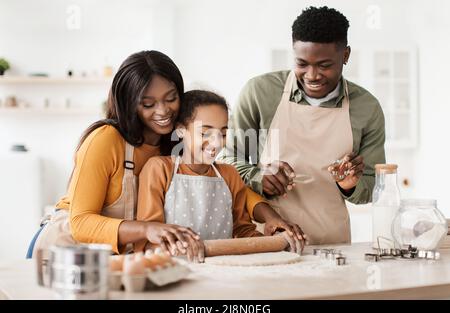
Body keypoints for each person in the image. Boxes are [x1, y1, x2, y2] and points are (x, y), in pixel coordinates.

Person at [27, 50, 304, 258]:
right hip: (65, 249)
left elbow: (235, 189)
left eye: (171, 98)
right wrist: (148, 229)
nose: (162, 111)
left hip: (118, 255)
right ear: (128, 103)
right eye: (148, 103)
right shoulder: (105, 140)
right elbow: (81, 222)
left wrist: (271, 218)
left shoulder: (172, 143)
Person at [220, 6, 386, 244]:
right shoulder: (260, 93)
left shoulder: (366, 108)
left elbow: (372, 186)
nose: (312, 75)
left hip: (332, 244)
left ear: (346, 55)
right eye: (302, 63)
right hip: (265, 239)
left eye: (324, 65)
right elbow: (228, 159)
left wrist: (351, 185)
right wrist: (259, 177)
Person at [136, 90, 305, 262]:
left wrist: (278, 240)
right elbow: (149, 240)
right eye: (205, 133)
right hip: (176, 271)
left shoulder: (229, 174)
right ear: (180, 130)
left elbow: (243, 232)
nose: (216, 143)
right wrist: (184, 248)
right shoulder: (159, 169)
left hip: (223, 272)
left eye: (223, 134)